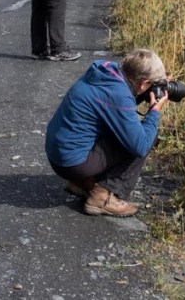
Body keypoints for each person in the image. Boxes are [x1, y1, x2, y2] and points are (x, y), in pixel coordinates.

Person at [45, 49, 170, 217]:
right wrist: (154, 112)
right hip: (72, 163)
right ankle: (103, 197)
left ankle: (82, 183)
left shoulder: (105, 72)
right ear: (143, 83)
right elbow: (140, 146)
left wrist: (145, 94)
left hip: (59, 154)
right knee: (146, 135)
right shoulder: (118, 95)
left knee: (123, 130)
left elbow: (114, 106)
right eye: (153, 84)